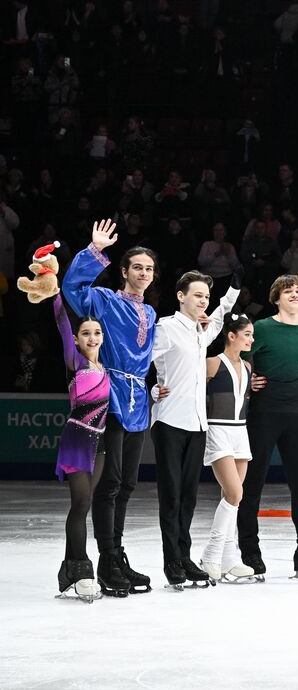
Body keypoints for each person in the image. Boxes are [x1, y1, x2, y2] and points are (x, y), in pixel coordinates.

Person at [62, 219, 160, 596]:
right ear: (123, 272)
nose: (144, 273)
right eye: (137, 266)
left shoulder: (150, 313)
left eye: (149, 268)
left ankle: (116, 555)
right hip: (110, 396)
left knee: (129, 483)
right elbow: (73, 289)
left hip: (139, 400)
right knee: (111, 484)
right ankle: (105, 560)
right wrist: (94, 250)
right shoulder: (105, 299)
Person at [150, 269, 241, 589]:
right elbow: (141, 360)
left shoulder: (202, 330)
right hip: (169, 422)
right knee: (171, 495)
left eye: (206, 296)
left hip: (197, 423)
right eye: (197, 295)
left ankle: (185, 557)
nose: (203, 300)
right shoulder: (166, 328)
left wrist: (233, 290)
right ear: (181, 296)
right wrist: (152, 390)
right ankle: (172, 561)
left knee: (188, 496)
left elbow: (219, 316)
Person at [240, 273, 298, 580]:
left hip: (294, 412)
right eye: (287, 291)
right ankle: (249, 552)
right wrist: (248, 378)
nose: (294, 294)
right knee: (252, 484)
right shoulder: (263, 327)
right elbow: (239, 357)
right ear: (276, 297)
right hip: (264, 411)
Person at [38, 250, 108, 601]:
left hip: (102, 444)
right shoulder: (75, 362)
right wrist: (54, 289)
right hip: (78, 441)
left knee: (87, 506)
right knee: (80, 506)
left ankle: (70, 572)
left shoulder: (105, 369)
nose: (92, 337)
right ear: (79, 340)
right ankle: (82, 572)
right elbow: (62, 321)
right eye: (86, 333)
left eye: (97, 333)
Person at [198, 315, 259, 584]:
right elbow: (189, 385)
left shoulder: (247, 366)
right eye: (247, 334)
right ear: (231, 335)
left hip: (240, 431)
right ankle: (211, 555)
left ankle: (229, 558)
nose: (251, 339)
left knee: (232, 497)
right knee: (235, 492)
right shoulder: (211, 364)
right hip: (218, 429)